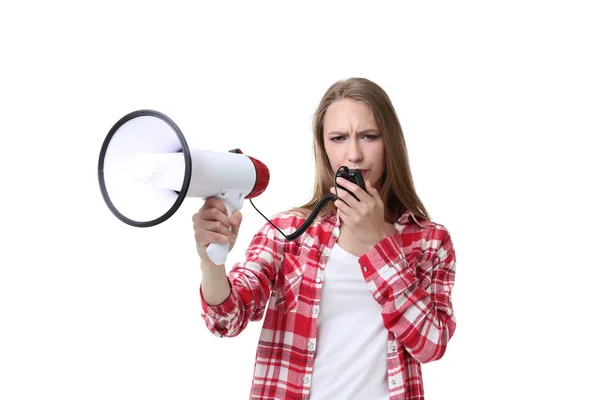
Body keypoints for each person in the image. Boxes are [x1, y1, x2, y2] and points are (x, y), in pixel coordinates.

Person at [193, 77, 457, 400]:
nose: (354, 154)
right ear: (324, 148)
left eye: (369, 136)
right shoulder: (288, 231)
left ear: (390, 143)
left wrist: (377, 243)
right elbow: (226, 319)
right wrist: (211, 262)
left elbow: (431, 344)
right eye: (339, 138)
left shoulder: (430, 242)